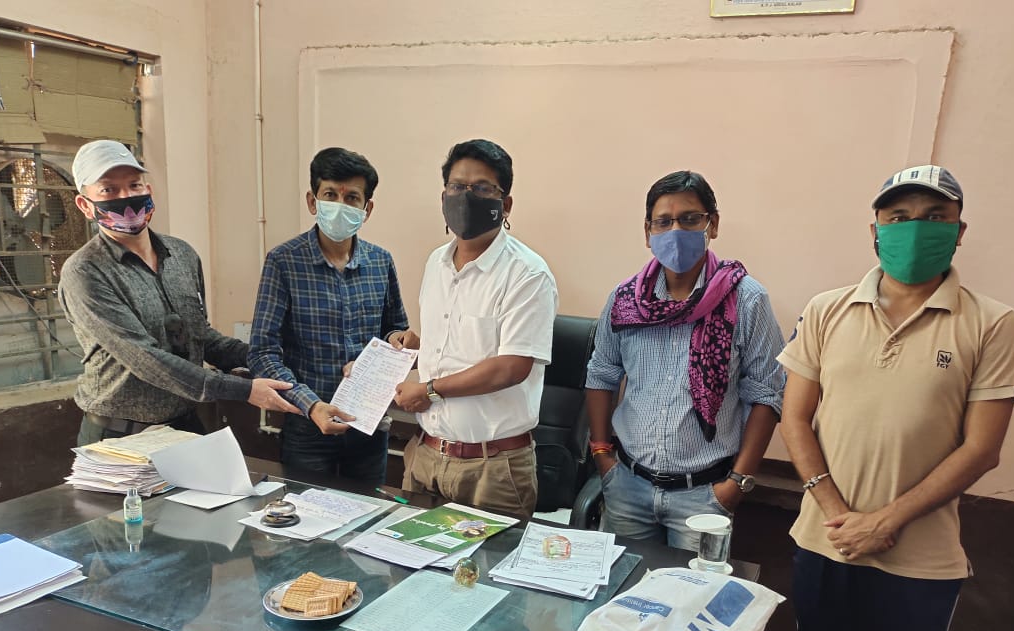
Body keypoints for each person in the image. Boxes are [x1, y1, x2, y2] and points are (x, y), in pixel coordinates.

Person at [734, 165, 1014, 631]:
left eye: (934, 215)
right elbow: (796, 419)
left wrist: (887, 519)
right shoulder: (829, 309)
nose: (914, 229)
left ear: (959, 230)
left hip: (919, 562)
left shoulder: (992, 323)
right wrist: (837, 510)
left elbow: (982, 449)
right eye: (898, 217)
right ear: (874, 230)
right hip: (824, 542)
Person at [585, 171, 786, 551]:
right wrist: (601, 456)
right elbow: (601, 373)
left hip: (705, 495)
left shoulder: (746, 299)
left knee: (694, 590)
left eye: (690, 219)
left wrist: (737, 483)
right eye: (664, 222)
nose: (675, 230)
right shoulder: (625, 300)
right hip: (626, 486)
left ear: (713, 224)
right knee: (622, 586)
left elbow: (767, 393)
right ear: (648, 232)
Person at [61, 140, 297, 446]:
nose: (126, 198)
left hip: (185, 423)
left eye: (134, 185)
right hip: (120, 436)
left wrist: (267, 355)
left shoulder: (182, 255)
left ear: (149, 190)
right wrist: (245, 391)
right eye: (108, 190)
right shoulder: (85, 272)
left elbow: (201, 338)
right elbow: (145, 359)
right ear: (84, 205)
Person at [394, 139, 558, 519]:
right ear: (443, 197)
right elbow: (452, 346)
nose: (466, 197)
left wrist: (429, 389)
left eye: (482, 188)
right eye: (457, 187)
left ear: (506, 204)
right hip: (425, 456)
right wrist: (411, 349)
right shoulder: (436, 262)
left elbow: (510, 367)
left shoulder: (527, 274)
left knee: (487, 562)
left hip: (493, 469)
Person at [248, 147, 415, 484]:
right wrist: (310, 404)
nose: (340, 204)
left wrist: (398, 342)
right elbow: (262, 352)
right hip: (307, 427)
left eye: (351, 197)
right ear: (313, 202)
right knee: (305, 513)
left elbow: (394, 330)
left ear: (367, 209)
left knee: (369, 512)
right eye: (330, 195)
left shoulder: (380, 262)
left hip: (368, 426)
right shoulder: (284, 262)